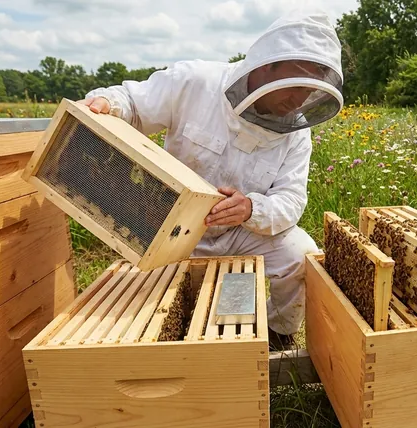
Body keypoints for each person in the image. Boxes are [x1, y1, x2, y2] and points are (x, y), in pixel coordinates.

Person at [80, 9, 345, 349]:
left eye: (309, 92)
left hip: (242, 234)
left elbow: (291, 202)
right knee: (147, 310)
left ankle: (279, 334)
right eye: (294, 87)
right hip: (172, 226)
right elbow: (133, 101)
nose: (299, 101)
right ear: (267, 66)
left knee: (301, 254)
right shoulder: (196, 82)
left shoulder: (296, 134)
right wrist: (108, 103)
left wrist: (251, 208)